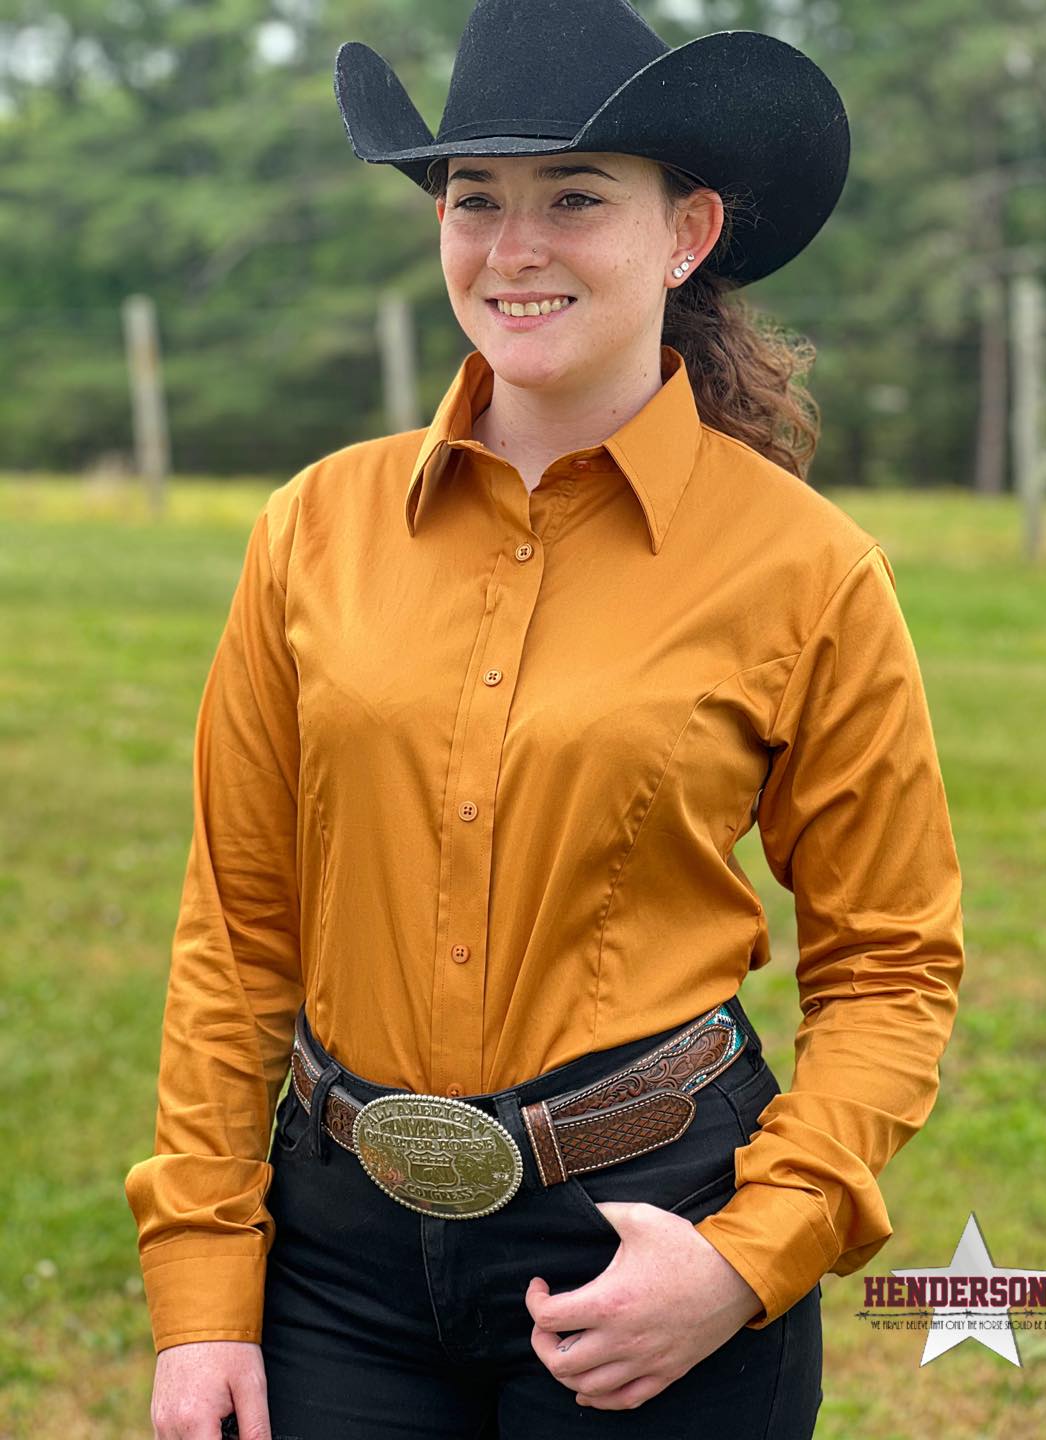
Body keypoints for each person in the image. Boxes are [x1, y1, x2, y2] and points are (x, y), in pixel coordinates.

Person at [125, 2, 965, 1437]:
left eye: (575, 197)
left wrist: (742, 1258)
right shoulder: (310, 531)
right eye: (476, 200)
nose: (514, 249)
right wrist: (206, 1287)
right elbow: (239, 926)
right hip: (335, 1270)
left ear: (688, 231)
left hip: (656, 1252)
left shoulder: (807, 570)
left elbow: (890, 966)